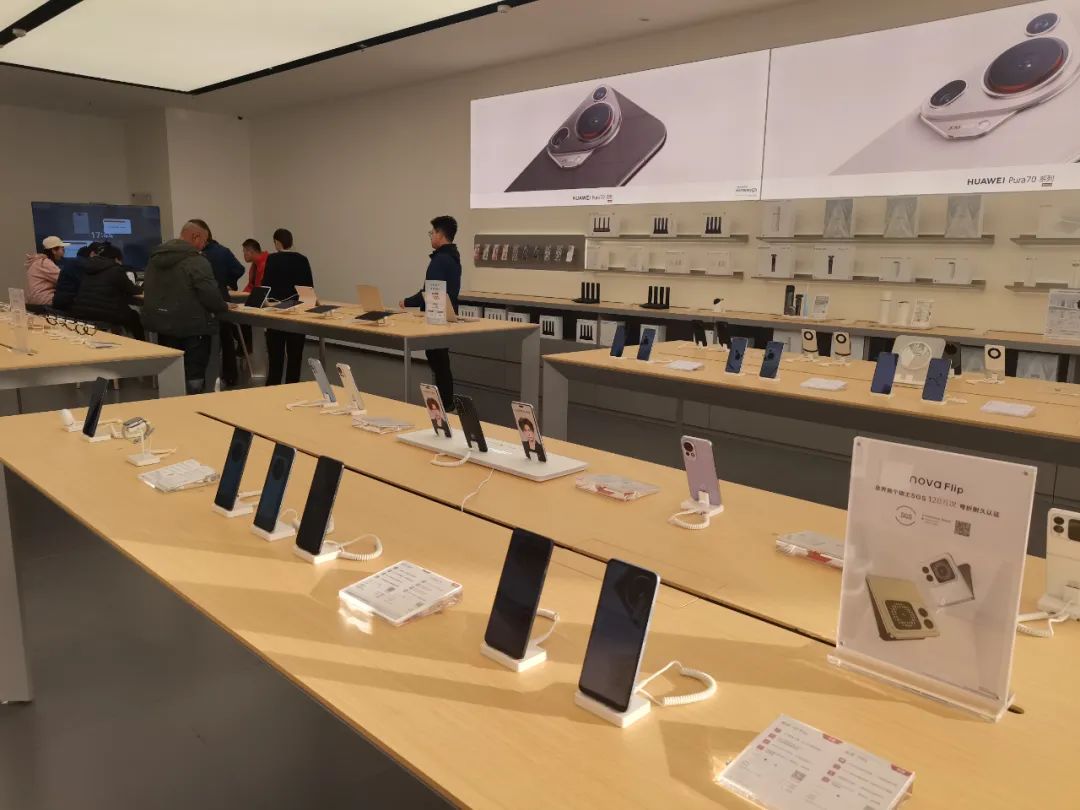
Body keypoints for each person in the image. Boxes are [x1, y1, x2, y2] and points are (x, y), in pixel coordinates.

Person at [141, 221, 227, 394]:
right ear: (196, 237)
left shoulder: (154, 260)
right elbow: (209, 294)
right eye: (204, 241)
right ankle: (195, 405)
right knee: (194, 375)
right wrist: (222, 306)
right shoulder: (196, 261)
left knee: (170, 372)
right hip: (194, 327)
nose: (204, 246)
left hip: (163, 326)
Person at [401, 216, 461, 408]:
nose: (431, 236)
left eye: (432, 232)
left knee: (439, 362)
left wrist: (407, 302)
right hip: (446, 316)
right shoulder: (453, 257)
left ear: (440, 235)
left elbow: (429, 292)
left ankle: (445, 404)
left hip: (437, 318)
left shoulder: (440, 260)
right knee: (441, 362)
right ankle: (445, 403)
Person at [190, 219, 245, 387]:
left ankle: (205, 378)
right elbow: (239, 269)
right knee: (227, 340)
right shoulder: (223, 251)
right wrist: (227, 282)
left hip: (202, 303)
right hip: (222, 298)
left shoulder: (196, 255)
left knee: (205, 343)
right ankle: (230, 376)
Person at [262, 228, 313, 385]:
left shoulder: (272, 259)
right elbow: (309, 288)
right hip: (297, 314)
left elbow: (266, 286)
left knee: (275, 358)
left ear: (277, 242)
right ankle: (292, 387)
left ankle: (273, 387)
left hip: (276, 314)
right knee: (295, 358)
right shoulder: (302, 260)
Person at [71, 244, 144, 340]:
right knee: (134, 317)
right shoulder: (116, 269)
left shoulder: (89, 268)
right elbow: (132, 289)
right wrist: (143, 289)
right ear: (116, 259)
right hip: (106, 314)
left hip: (83, 312)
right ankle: (142, 345)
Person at [52, 241, 103, 311]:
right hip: (70, 306)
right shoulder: (85, 266)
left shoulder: (72, 262)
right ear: (92, 254)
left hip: (61, 303)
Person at [25, 236, 66, 309]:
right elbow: (63, 279)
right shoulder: (45, 263)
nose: (64, 252)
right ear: (54, 250)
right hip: (44, 301)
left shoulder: (38, 262)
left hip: (32, 301)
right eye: (62, 249)